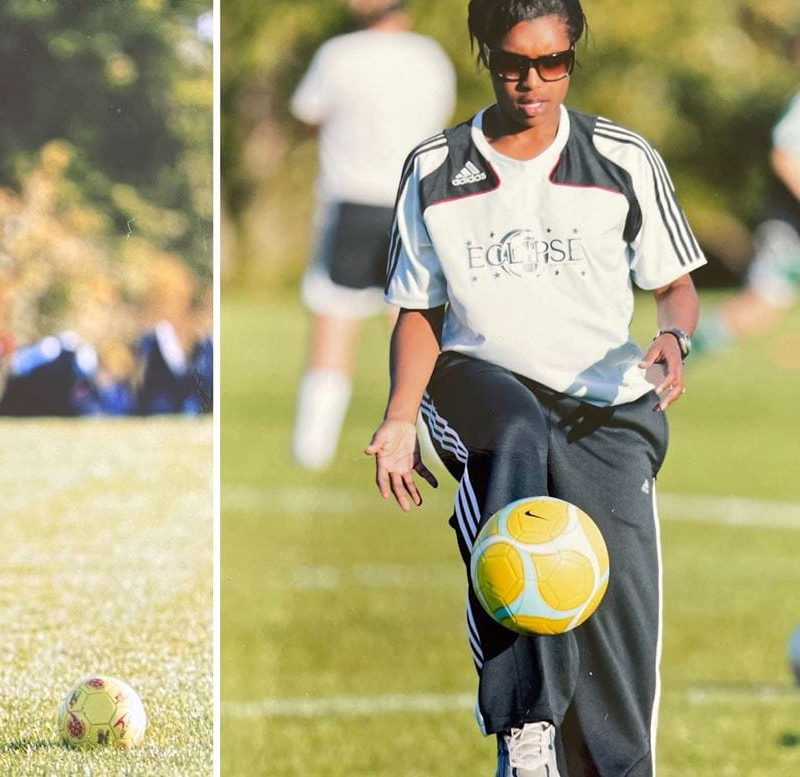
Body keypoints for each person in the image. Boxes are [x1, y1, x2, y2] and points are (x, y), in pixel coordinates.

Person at [364, 1, 704, 774]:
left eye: (553, 62)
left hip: (606, 407)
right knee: (513, 435)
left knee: (620, 632)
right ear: (485, 53)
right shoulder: (433, 168)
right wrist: (397, 416)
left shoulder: (623, 158)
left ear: (573, 56)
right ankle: (526, 729)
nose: (533, 81)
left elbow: (676, 285)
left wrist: (673, 336)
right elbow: (417, 309)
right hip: (479, 383)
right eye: (515, 62)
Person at [289, 0, 455, 469]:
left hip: (351, 203)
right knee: (413, 321)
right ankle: (436, 440)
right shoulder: (431, 58)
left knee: (334, 320)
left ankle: (312, 446)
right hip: (412, 206)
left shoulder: (338, 55)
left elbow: (308, 113)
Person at [693, 86, 800, 355]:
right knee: (760, 307)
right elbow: (784, 155)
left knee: (763, 308)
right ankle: (677, 356)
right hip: (791, 229)